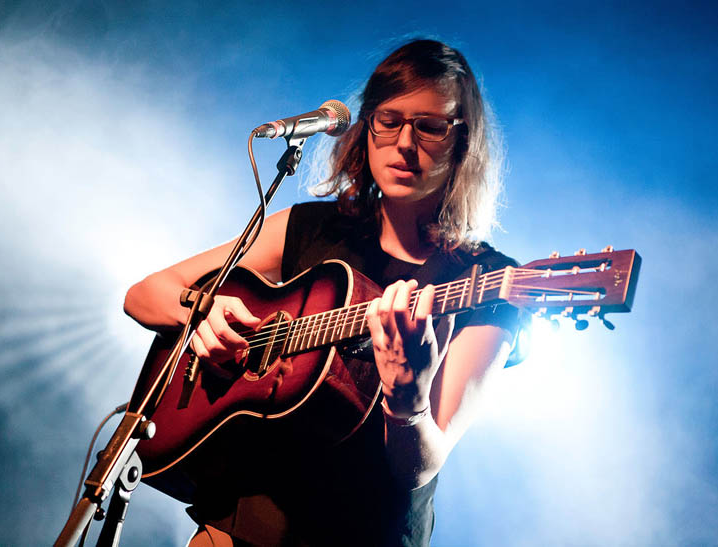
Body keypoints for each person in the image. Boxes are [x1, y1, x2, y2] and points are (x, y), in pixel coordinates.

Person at [124, 39, 521, 547]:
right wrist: (202, 313)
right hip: (234, 525)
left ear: (461, 142)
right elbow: (144, 294)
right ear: (366, 127)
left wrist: (408, 399)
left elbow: (418, 469)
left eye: (429, 126)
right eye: (389, 120)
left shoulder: (488, 283)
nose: (404, 143)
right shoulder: (307, 228)